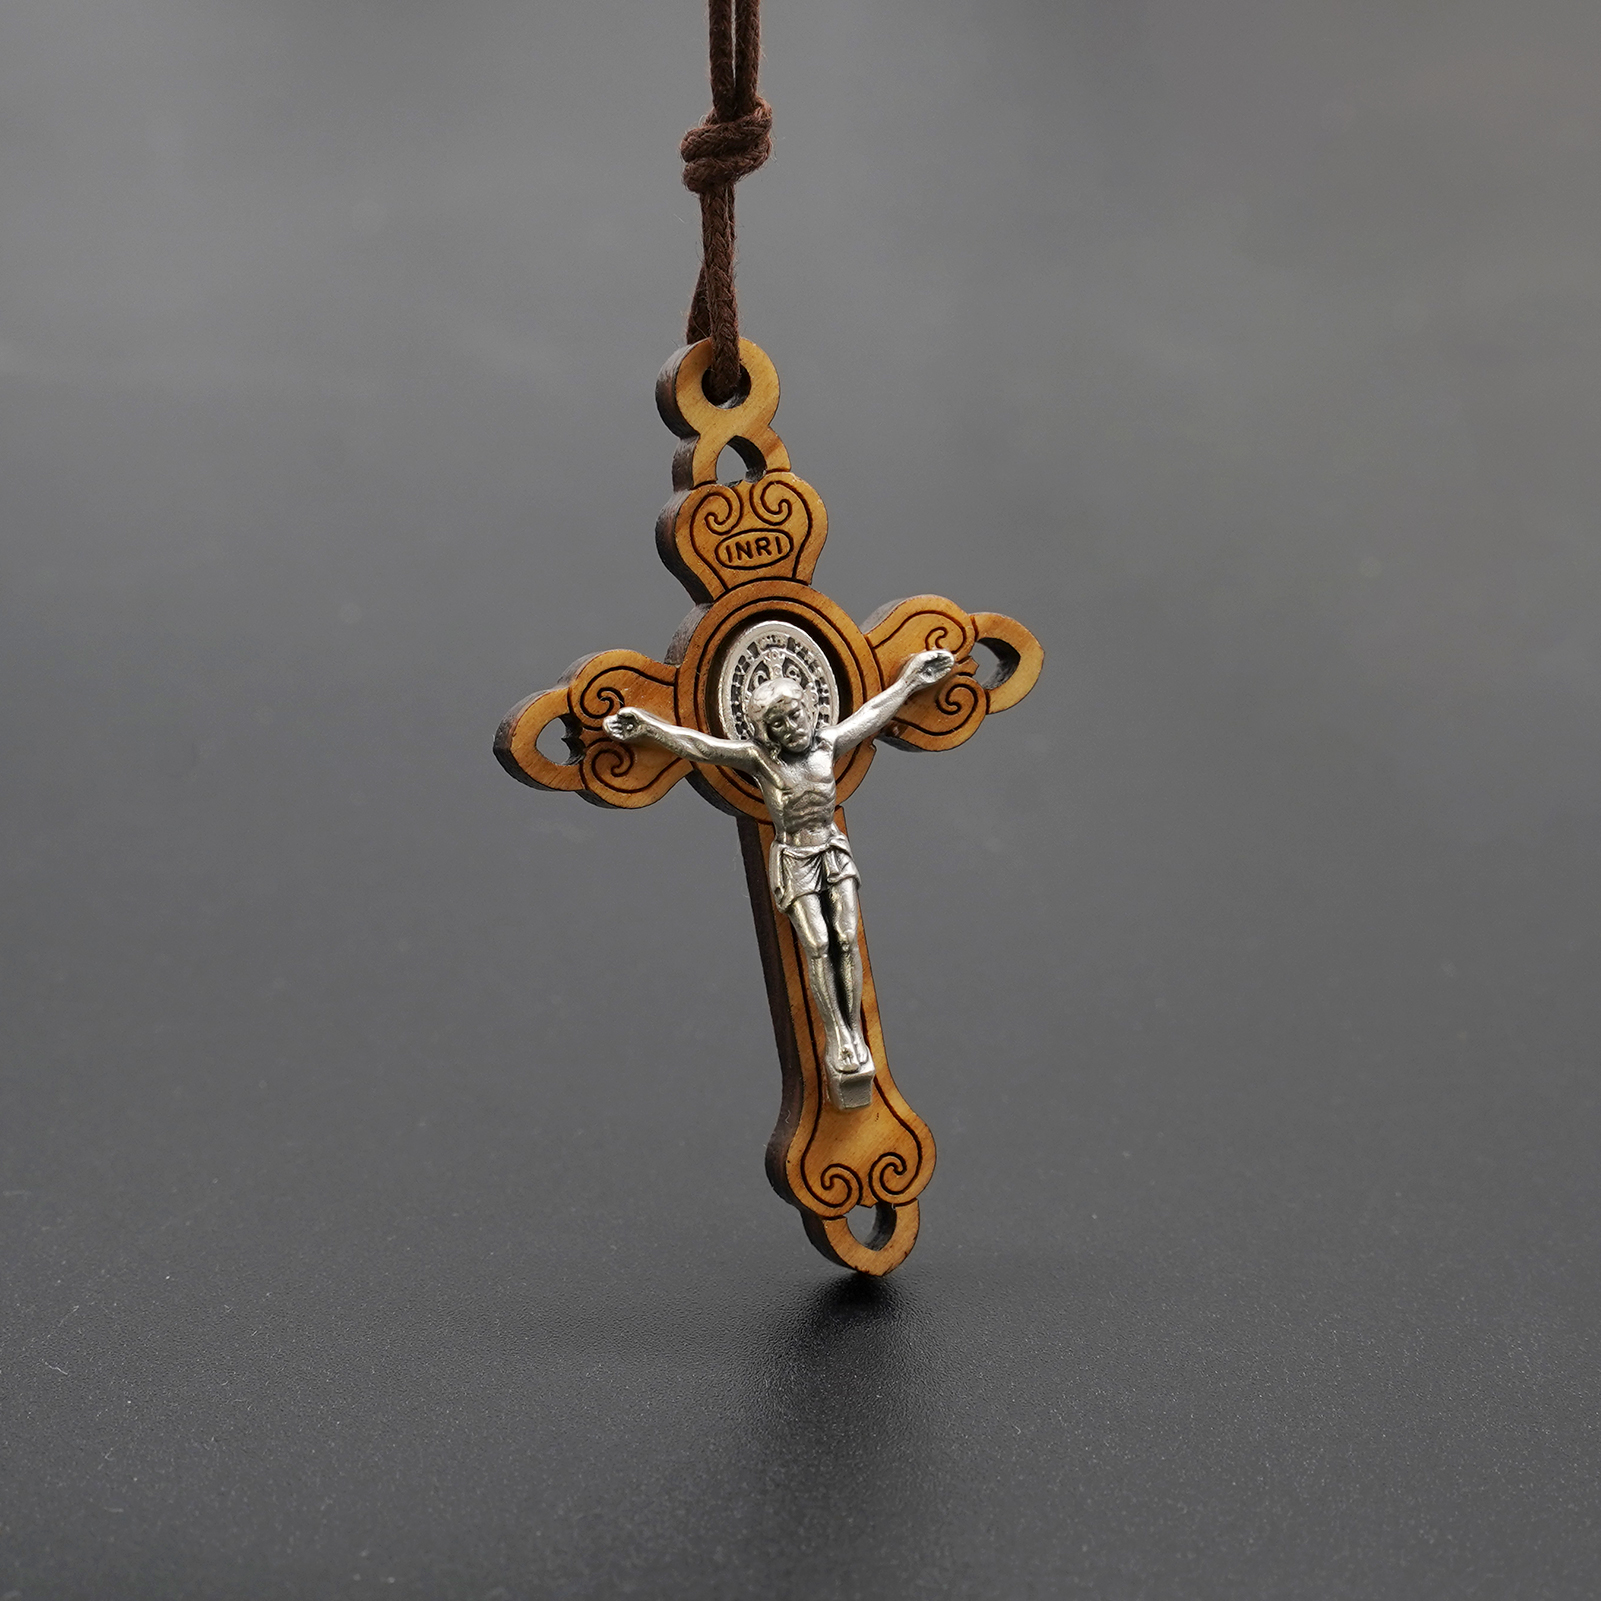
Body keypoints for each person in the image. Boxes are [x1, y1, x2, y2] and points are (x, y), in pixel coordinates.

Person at [604, 648, 955, 1091]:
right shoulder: (761, 760)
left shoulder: (827, 744)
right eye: (778, 724)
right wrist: (649, 727)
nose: (792, 727)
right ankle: (839, 1037)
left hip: (832, 850)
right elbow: (701, 746)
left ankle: (854, 1032)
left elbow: (872, 713)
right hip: (795, 858)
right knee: (818, 943)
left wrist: (910, 681)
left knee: (847, 937)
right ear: (765, 733)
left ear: (810, 709)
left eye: (795, 715)